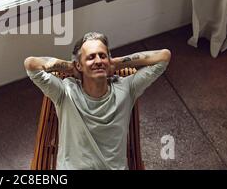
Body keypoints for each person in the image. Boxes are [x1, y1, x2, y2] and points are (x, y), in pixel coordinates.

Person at [24, 32, 171, 170]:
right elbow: (31, 64)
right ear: (78, 65)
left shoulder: (126, 88)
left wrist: (116, 63)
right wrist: (71, 67)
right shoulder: (65, 93)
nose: (98, 61)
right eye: (91, 57)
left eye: (102, 56)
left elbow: (163, 56)